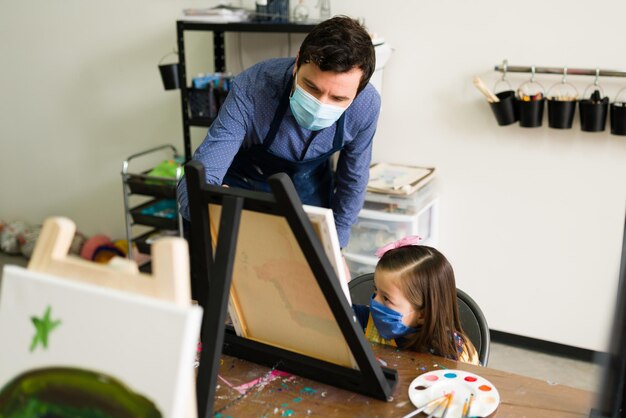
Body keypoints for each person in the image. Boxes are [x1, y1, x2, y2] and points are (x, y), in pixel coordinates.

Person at [176, 15, 379, 249]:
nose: (320, 104)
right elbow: (201, 174)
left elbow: (353, 180)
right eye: (311, 87)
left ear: (358, 91)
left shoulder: (366, 106)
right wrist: (209, 204)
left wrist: (337, 244)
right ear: (297, 63)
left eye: (338, 98)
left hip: (310, 194)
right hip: (244, 189)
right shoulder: (253, 86)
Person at [352, 236, 479, 365]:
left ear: (423, 315)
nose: (375, 302)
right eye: (375, 291)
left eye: (386, 298)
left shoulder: (454, 354)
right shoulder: (366, 320)